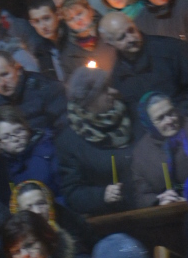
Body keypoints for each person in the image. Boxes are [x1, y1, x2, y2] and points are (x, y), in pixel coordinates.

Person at [56, 68, 134, 216]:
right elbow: (72, 193)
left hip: (150, 204)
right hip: (114, 216)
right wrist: (101, 195)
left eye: (110, 85)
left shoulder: (130, 114)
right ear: (88, 102)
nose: (113, 91)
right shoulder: (69, 142)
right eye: (104, 89)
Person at [96, 12, 188, 120]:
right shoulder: (117, 77)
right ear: (110, 44)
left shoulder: (171, 50)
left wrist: (178, 118)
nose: (131, 39)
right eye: (122, 37)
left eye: (131, 30)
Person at [132, 91, 188, 208]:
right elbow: (141, 195)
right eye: (160, 118)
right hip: (166, 210)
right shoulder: (141, 153)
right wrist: (159, 200)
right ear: (149, 123)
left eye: (171, 113)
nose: (169, 121)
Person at [0, 50, 67, 136]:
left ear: (18, 69)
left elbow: (64, 128)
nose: (2, 83)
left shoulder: (46, 88)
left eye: (5, 74)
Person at [0, 107, 61, 197]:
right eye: (6, 137)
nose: (15, 139)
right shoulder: (2, 171)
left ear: (27, 127)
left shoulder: (48, 148)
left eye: (18, 131)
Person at [10, 180, 94, 253]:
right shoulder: (16, 239)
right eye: (28, 208)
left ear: (49, 202)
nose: (37, 211)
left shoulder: (67, 219)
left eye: (41, 203)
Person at [58, 0, 115, 78]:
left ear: (90, 10)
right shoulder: (68, 54)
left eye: (79, 13)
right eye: (71, 19)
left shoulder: (111, 30)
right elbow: (72, 83)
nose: (78, 20)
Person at [26, 0, 68, 81]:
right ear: (32, 24)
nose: (43, 26)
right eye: (37, 21)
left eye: (46, 18)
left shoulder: (73, 37)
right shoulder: (40, 51)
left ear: (58, 15)